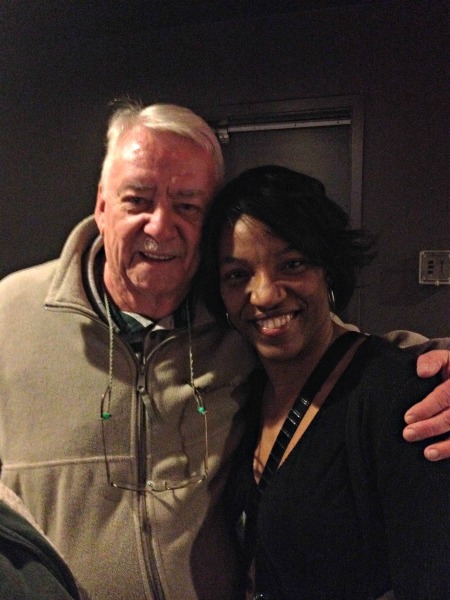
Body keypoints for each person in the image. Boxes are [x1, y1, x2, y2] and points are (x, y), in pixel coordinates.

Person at [0, 103, 448, 600]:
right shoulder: (9, 317)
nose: (160, 226)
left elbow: (340, 356)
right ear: (102, 205)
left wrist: (434, 365)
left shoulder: (232, 320)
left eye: (187, 205)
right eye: (138, 200)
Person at [201, 164, 449, 599]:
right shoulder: (242, 392)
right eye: (238, 275)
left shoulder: (398, 398)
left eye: (291, 264)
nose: (265, 294)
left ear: (328, 269)